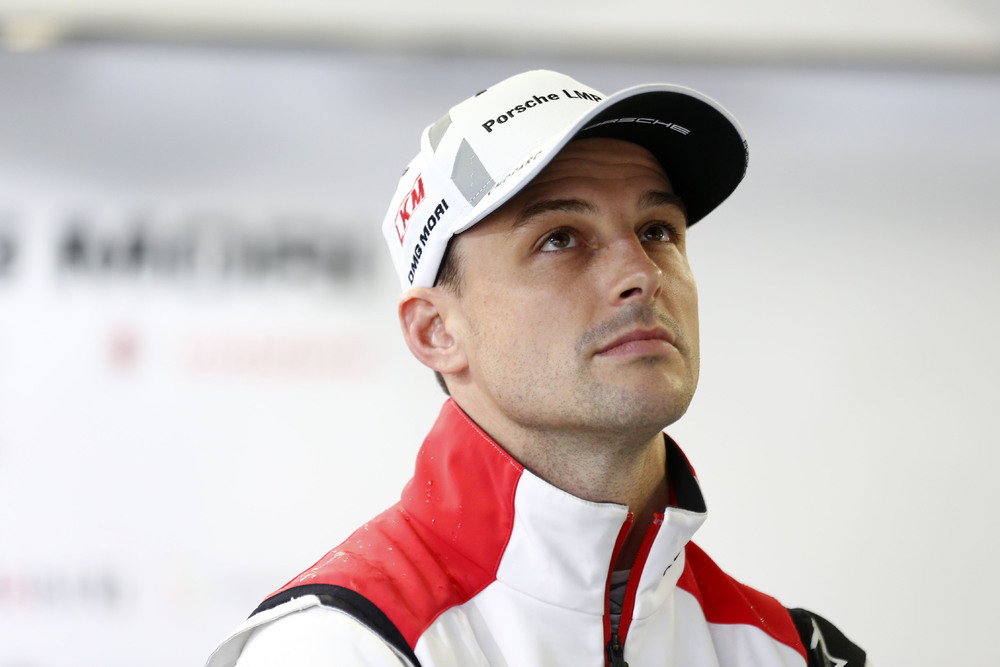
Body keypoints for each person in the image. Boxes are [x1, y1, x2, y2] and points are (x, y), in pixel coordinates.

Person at [206, 69, 870, 667]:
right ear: (437, 331)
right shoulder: (342, 647)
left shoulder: (788, 651)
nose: (641, 273)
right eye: (560, 239)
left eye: (657, 230)